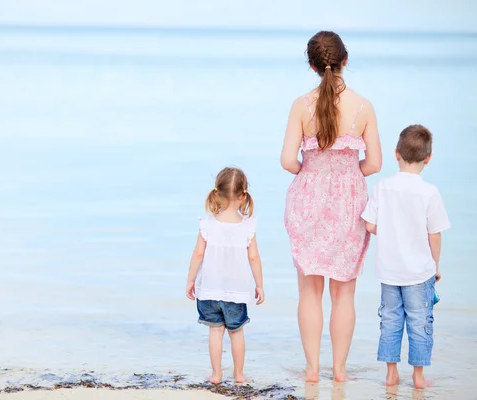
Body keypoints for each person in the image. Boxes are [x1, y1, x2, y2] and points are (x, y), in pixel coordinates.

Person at [281, 31, 382, 382]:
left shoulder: (300, 105)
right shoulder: (363, 105)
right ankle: (339, 371)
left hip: (308, 197)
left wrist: (311, 171)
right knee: (344, 291)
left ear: (311, 65)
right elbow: (375, 164)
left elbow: (287, 161)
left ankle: (311, 370)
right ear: (345, 60)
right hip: (349, 200)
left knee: (309, 290)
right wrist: (348, 173)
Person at [361, 125, 450, 389]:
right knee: (420, 322)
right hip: (419, 273)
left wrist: (388, 232)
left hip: (388, 272)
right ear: (428, 158)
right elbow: (435, 234)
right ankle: (419, 377)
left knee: (390, 320)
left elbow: (368, 225)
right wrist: (435, 265)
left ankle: (391, 373)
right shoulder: (429, 192)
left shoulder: (382, 187)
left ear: (395, 153)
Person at [185, 167, 265, 384]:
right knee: (236, 333)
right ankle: (239, 374)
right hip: (236, 292)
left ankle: (217, 375)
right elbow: (254, 258)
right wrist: (259, 285)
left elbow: (198, 253)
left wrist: (191, 279)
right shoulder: (248, 226)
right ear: (243, 196)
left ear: (217, 193)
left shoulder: (207, 224)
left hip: (209, 289)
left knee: (215, 333)